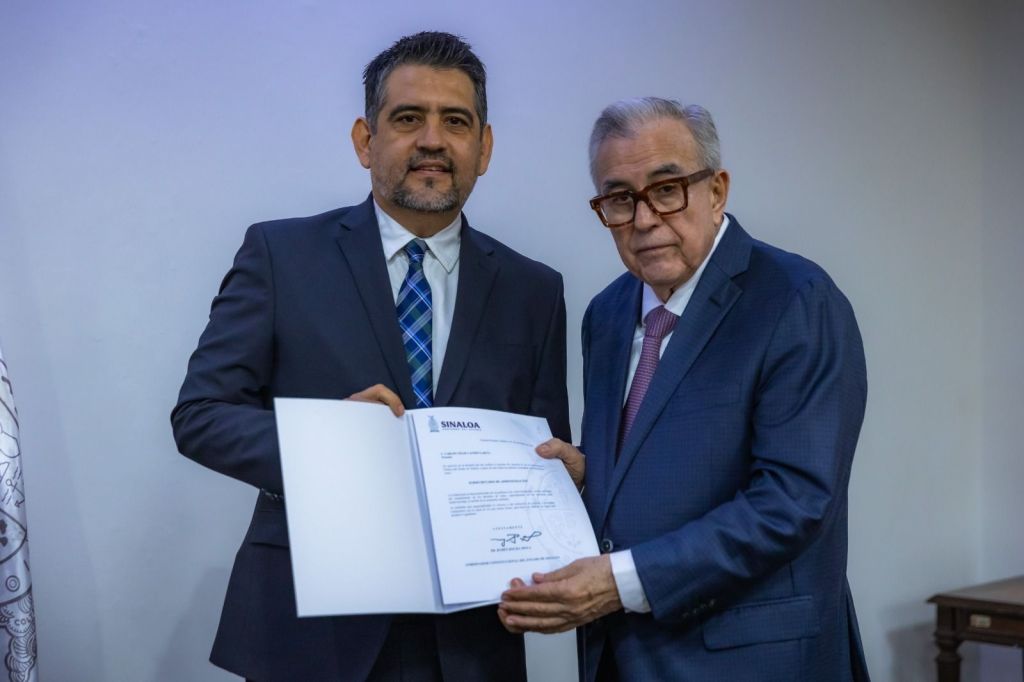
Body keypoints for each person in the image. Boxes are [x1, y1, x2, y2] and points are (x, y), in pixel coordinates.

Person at [171, 31, 569, 682]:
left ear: (485, 148)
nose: (433, 140)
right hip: (311, 633)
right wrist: (335, 446)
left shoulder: (535, 290)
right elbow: (200, 416)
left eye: (456, 122)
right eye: (408, 118)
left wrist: (566, 482)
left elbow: (547, 447)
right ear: (366, 141)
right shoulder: (281, 256)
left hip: (472, 642)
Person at [498, 98, 869, 681]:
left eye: (667, 190)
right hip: (621, 657)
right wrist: (590, 475)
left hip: (753, 663)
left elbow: (792, 500)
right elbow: (668, 457)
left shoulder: (796, 299)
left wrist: (620, 582)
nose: (644, 219)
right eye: (620, 199)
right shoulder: (607, 313)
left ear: (716, 191)